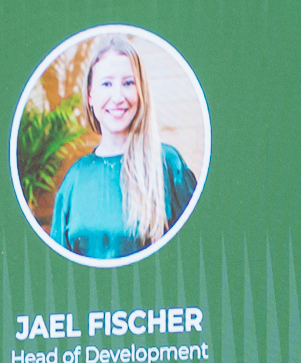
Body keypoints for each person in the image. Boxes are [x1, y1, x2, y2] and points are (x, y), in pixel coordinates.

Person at [47, 34, 196, 261]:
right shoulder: (75, 178)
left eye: (128, 83)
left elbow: (196, 252)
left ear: (140, 91)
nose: (118, 97)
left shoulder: (168, 164)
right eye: (106, 84)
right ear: (90, 95)